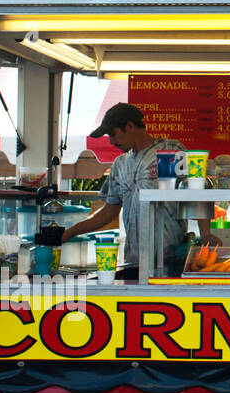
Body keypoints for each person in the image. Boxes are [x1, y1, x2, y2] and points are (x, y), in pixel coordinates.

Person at [59, 103, 191, 271]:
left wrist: (206, 234)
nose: (111, 141)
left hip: (172, 258)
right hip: (134, 260)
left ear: (130, 126)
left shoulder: (170, 150)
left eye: (113, 134)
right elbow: (109, 211)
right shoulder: (119, 164)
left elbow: (195, 192)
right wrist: (69, 232)